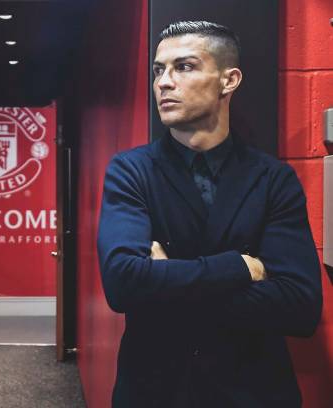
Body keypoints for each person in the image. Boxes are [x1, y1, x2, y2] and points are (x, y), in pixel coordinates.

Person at [97, 21, 322, 407]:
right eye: (158, 70)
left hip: (253, 393)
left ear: (228, 80)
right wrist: (239, 267)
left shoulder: (272, 179)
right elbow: (123, 285)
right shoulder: (131, 171)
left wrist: (166, 284)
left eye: (184, 67)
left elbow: (299, 307)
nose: (164, 82)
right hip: (156, 391)